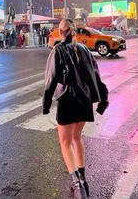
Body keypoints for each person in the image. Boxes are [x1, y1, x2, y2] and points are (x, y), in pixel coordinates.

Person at [43, 19, 109, 199]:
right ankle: (83, 178)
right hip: (85, 101)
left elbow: (50, 81)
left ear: (60, 31)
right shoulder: (85, 49)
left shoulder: (57, 50)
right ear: (74, 31)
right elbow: (96, 76)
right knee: (76, 138)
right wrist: (103, 99)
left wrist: (46, 104)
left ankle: (77, 184)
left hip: (67, 101)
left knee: (65, 142)